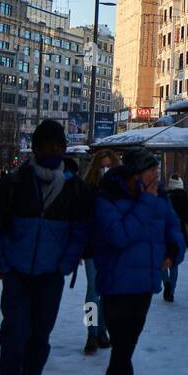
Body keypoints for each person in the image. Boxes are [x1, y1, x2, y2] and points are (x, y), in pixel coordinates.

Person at [0, 120, 91, 375]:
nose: (54, 152)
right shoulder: (14, 184)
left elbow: (80, 232)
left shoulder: (73, 188)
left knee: (39, 340)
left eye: (59, 147)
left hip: (50, 277)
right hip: (18, 275)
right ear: (36, 148)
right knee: (14, 336)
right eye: (48, 146)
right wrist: (4, 262)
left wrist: (65, 264)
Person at [91, 149, 184, 375]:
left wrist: (173, 252)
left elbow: (173, 229)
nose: (157, 176)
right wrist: (146, 202)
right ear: (135, 174)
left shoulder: (160, 197)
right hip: (116, 284)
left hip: (145, 283)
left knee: (125, 346)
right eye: (151, 171)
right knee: (123, 345)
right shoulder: (108, 199)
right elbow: (119, 236)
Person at [80, 149, 118, 354]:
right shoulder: (89, 189)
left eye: (109, 165)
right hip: (93, 246)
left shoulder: (121, 189)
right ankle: (92, 333)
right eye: (102, 165)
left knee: (106, 293)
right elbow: (81, 219)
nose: (105, 169)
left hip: (112, 247)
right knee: (94, 291)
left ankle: (102, 331)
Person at [162, 176, 188, 303]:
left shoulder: (164, 198)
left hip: (164, 234)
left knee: (163, 261)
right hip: (179, 234)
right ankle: (171, 291)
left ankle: (166, 282)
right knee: (174, 263)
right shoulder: (185, 199)